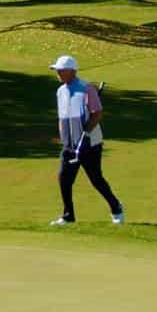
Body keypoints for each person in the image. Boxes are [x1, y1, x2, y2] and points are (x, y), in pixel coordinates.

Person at [49, 54, 125, 225]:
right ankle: (68, 216)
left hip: (90, 143)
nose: (58, 73)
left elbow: (97, 114)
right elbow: (62, 117)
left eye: (61, 70)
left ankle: (116, 207)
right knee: (64, 178)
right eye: (57, 70)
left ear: (71, 71)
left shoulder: (86, 88)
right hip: (70, 145)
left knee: (96, 179)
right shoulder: (60, 91)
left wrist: (86, 133)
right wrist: (64, 137)